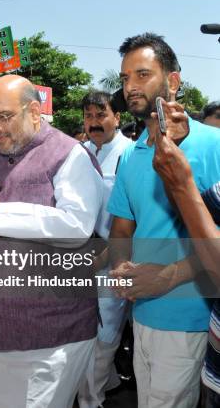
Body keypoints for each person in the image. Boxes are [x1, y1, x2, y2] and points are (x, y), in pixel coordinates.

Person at [0, 75, 103, 407]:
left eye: (4, 117)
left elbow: (77, 227)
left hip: (49, 335)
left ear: (35, 110)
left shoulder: (69, 154)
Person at [107, 33, 220, 407]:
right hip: (141, 314)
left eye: (142, 74)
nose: (131, 87)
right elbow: (122, 227)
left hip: (192, 318)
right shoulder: (132, 153)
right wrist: (123, 268)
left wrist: (168, 276)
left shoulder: (213, 146)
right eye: (125, 78)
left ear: (173, 81)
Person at [77, 90, 133, 408]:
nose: (94, 122)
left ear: (117, 117)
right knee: (84, 335)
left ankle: (92, 399)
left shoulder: (131, 152)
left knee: (105, 334)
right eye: (89, 116)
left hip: (115, 258)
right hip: (80, 258)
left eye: (101, 115)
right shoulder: (78, 153)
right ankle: (102, 387)